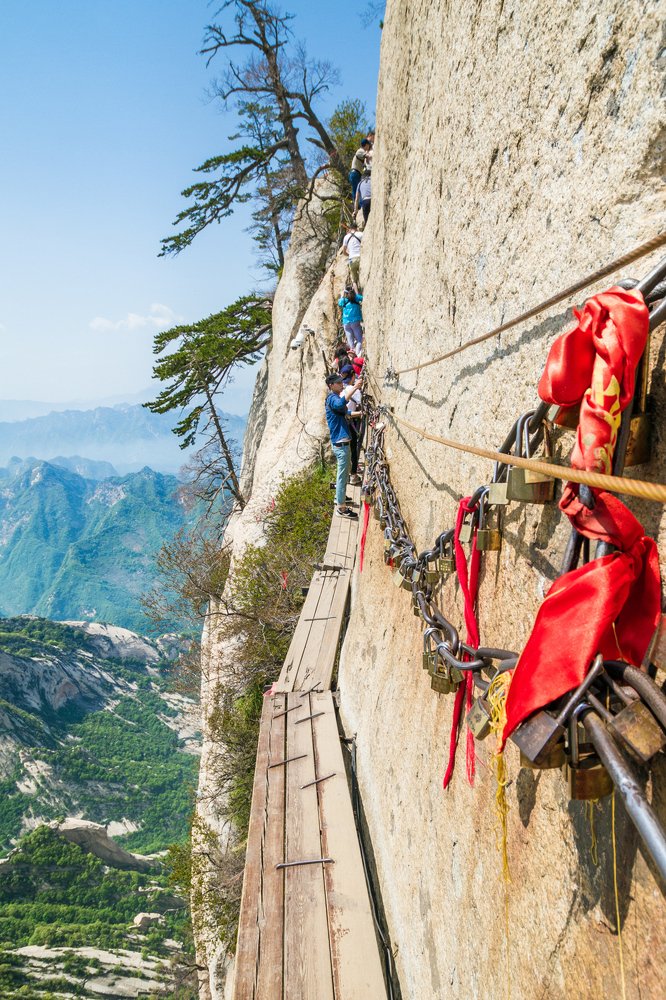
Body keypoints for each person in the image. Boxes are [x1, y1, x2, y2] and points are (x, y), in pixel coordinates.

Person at [325, 371, 363, 517]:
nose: (342, 384)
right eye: (339, 383)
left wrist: (360, 414)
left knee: (343, 474)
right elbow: (341, 404)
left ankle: (339, 497)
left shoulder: (333, 399)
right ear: (331, 385)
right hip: (341, 444)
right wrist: (355, 387)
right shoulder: (332, 399)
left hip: (340, 442)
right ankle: (341, 507)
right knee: (342, 476)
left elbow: (345, 412)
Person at [338, 286, 363, 352]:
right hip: (355, 322)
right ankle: (357, 355)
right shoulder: (356, 298)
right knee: (359, 340)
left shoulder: (343, 300)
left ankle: (352, 356)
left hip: (346, 323)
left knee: (351, 344)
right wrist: (356, 290)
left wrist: (342, 295)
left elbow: (339, 303)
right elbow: (362, 298)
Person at [342, 225, 363, 289]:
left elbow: (344, 252)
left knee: (354, 281)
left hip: (351, 260)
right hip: (360, 257)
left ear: (350, 229)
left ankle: (357, 295)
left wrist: (350, 254)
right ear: (356, 228)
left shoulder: (346, 237)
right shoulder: (360, 234)